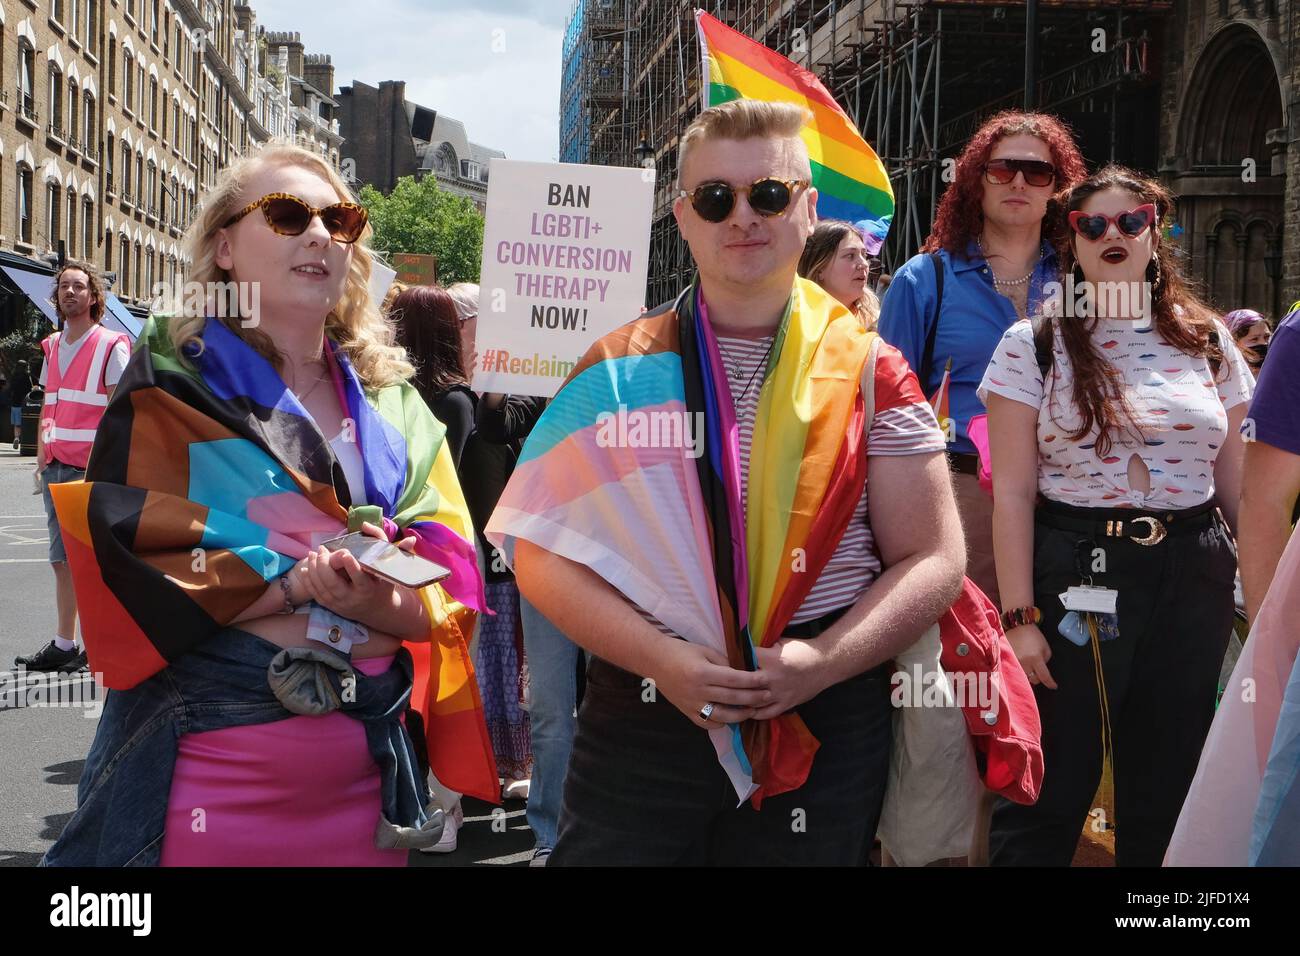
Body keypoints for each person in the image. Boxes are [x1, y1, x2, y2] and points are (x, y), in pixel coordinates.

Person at [488, 99, 965, 865]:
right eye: (716, 199)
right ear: (683, 217)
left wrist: (826, 662)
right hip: (647, 703)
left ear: (808, 210)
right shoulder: (616, 366)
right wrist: (662, 662)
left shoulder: (875, 371)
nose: (743, 216)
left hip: (824, 704)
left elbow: (936, 559)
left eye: (769, 195)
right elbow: (538, 551)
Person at [43, 143, 496, 866]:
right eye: (288, 215)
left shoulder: (395, 405)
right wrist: (294, 581)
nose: (320, 234)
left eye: (340, 221)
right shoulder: (171, 377)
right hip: (207, 763)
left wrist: (357, 595)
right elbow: (129, 560)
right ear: (223, 246)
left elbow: (451, 591)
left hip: (366, 769)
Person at [980, 165, 1253, 866]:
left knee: (1170, 775)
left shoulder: (1208, 341)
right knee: (1056, 781)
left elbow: (1238, 489)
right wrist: (1018, 621)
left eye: (1130, 221)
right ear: (1070, 239)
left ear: (1155, 232)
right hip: (1078, 569)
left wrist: (1263, 593)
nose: (1113, 234)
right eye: (1092, 223)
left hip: (1193, 569)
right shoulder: (1032, 344)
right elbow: (1010, 491)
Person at [878, 111, 1086, 609]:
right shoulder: (923, 280)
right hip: (961, 492)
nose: (1018, 182)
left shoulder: (1086, 281)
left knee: (1069, 657)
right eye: (1001, 169)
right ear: (976, 179)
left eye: (1037, 172)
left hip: (1072, 494)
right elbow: (884, 412)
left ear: (1058, 188)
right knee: (971, 659)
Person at [14, 264, 131, 674]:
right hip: (56, 468)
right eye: (64, 286)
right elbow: (51, 402)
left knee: (94, 562)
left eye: (78, 286)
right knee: (61, 560)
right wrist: (42, 454)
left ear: (94, 297)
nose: (69, 292)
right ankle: (66, 644)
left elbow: (120, 413)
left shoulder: (110, 345)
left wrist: (109, 468)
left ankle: (103, 644)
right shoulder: (50, 346)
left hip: (91, 472)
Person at [1238, 300, 1300, 623]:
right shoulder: (1296, 336)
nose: (1260, 347)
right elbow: (1265, 502)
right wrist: (1270, 652)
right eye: (1253, 340)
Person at [798, 220, 881, 330]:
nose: (864, 264)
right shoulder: (796, 325)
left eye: (864, 255)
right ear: (819, 268)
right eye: (850, 255)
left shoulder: (879, 324)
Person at [1223, 308, 1271, 379]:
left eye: (1266, 337)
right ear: (1233, 341)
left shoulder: (1275, 373)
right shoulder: (1224, 377)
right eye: (1254, 339)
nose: (1263, 343)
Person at [8, 359, 32, 450]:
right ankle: (25, 440)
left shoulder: (13, 376)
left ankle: (16, 437)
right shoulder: (27, 377)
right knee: (26, 422)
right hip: (25, 403)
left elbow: (10, 389)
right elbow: (30, 388)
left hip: (15, 403)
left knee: (17, 424)